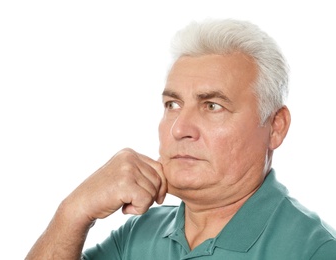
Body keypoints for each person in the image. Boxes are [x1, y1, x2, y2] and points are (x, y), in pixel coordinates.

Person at [26, 19, 336, 259]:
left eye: (212, 106)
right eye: (172, 105)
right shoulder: (140, 233)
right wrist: (74, 211)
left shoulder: (314, 250)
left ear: (276, 127)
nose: (180, 128)